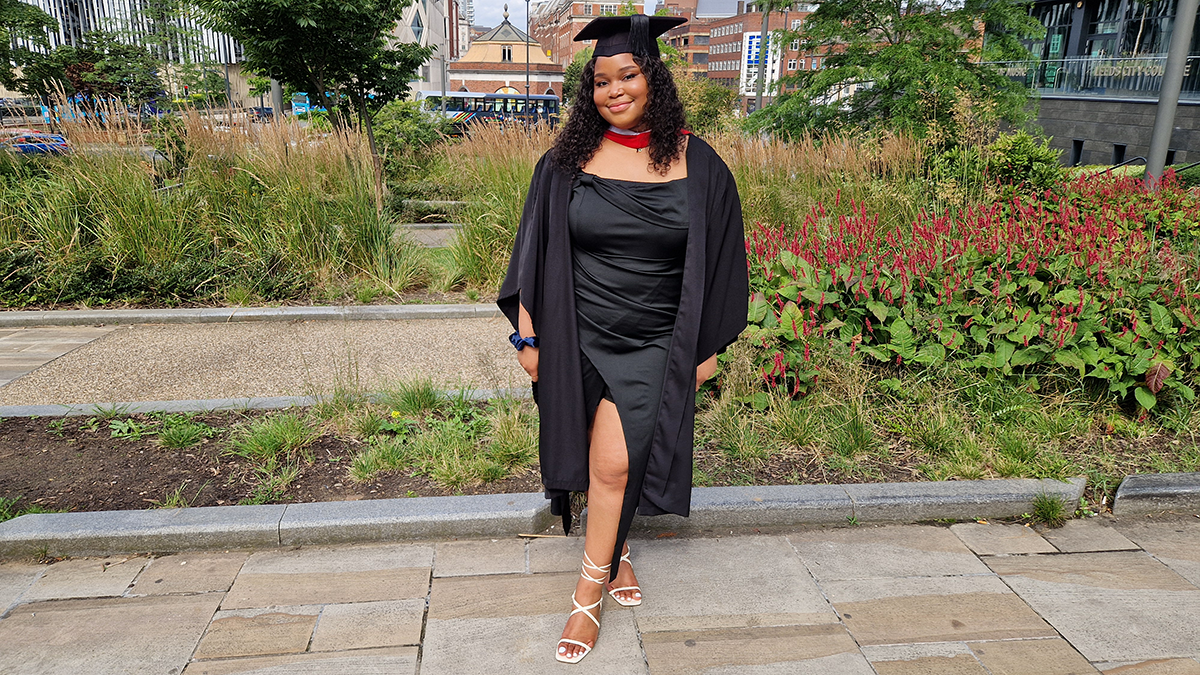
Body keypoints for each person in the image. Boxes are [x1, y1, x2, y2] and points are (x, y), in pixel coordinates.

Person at [497, 13, 748, 664]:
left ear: (653, 78)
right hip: (576, 329)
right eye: (601, 80)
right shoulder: (565, 163)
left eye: (628, 75)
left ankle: (587, 593)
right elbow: (534, 249)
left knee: (612, 463)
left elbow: (724, 256)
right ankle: (617, 550)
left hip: (655, 339)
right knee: (593, 456)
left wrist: (707, 348)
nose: (614, 90)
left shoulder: (699, 163)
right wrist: (528, 340)